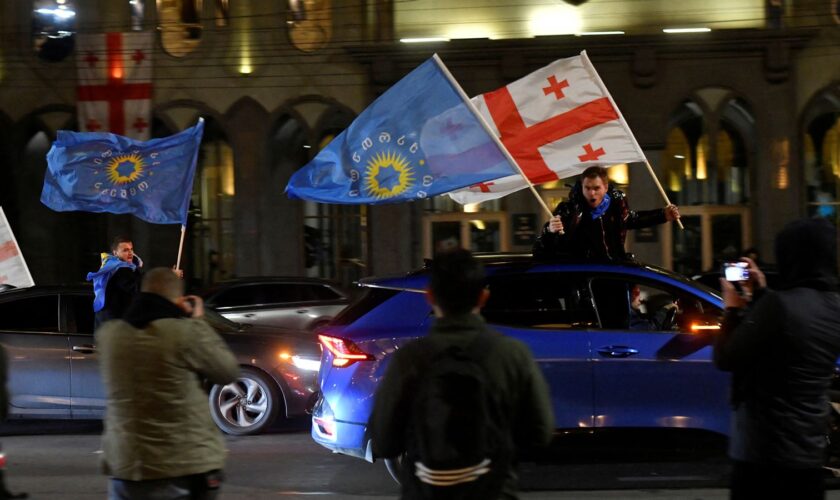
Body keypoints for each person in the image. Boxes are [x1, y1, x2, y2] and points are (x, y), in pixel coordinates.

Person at [368, 248, 554, 499]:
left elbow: (383, 441)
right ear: (483, 297)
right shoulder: (511, 354)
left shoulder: (408, 359)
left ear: (431, 297)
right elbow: (539, 433)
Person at [713, 218, 840, 500]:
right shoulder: (834, 306)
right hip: (808, 449)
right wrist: (762, 292)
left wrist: (731, 310)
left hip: (763, 450)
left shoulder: (779, 305)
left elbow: (726, 356)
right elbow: (792, 336)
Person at [96, 267, 240, 500]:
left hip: (125, 465)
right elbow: (227, 371)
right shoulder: (183, 334)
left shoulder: (109, 336)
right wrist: (198, 322)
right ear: (179, 300)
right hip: (183, 465)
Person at [532, 166, 680, 261]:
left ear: (605, 187)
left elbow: (630, 219)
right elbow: (543, 248)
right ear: (581, 187)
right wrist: (549, 230)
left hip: (613, 271)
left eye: (596, 188)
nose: (591, 193)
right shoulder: (570, 210)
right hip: (585, 277)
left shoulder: (616, 204)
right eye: (587, 188)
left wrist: (662, 215)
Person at [87, 236, 143, 328]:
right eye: (125, 250)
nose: (130, 253)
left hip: (107, 325)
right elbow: (137, 287)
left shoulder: (117, 266)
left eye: (131, 249)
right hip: (114, 325)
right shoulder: (119, 269)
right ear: (115, 253)